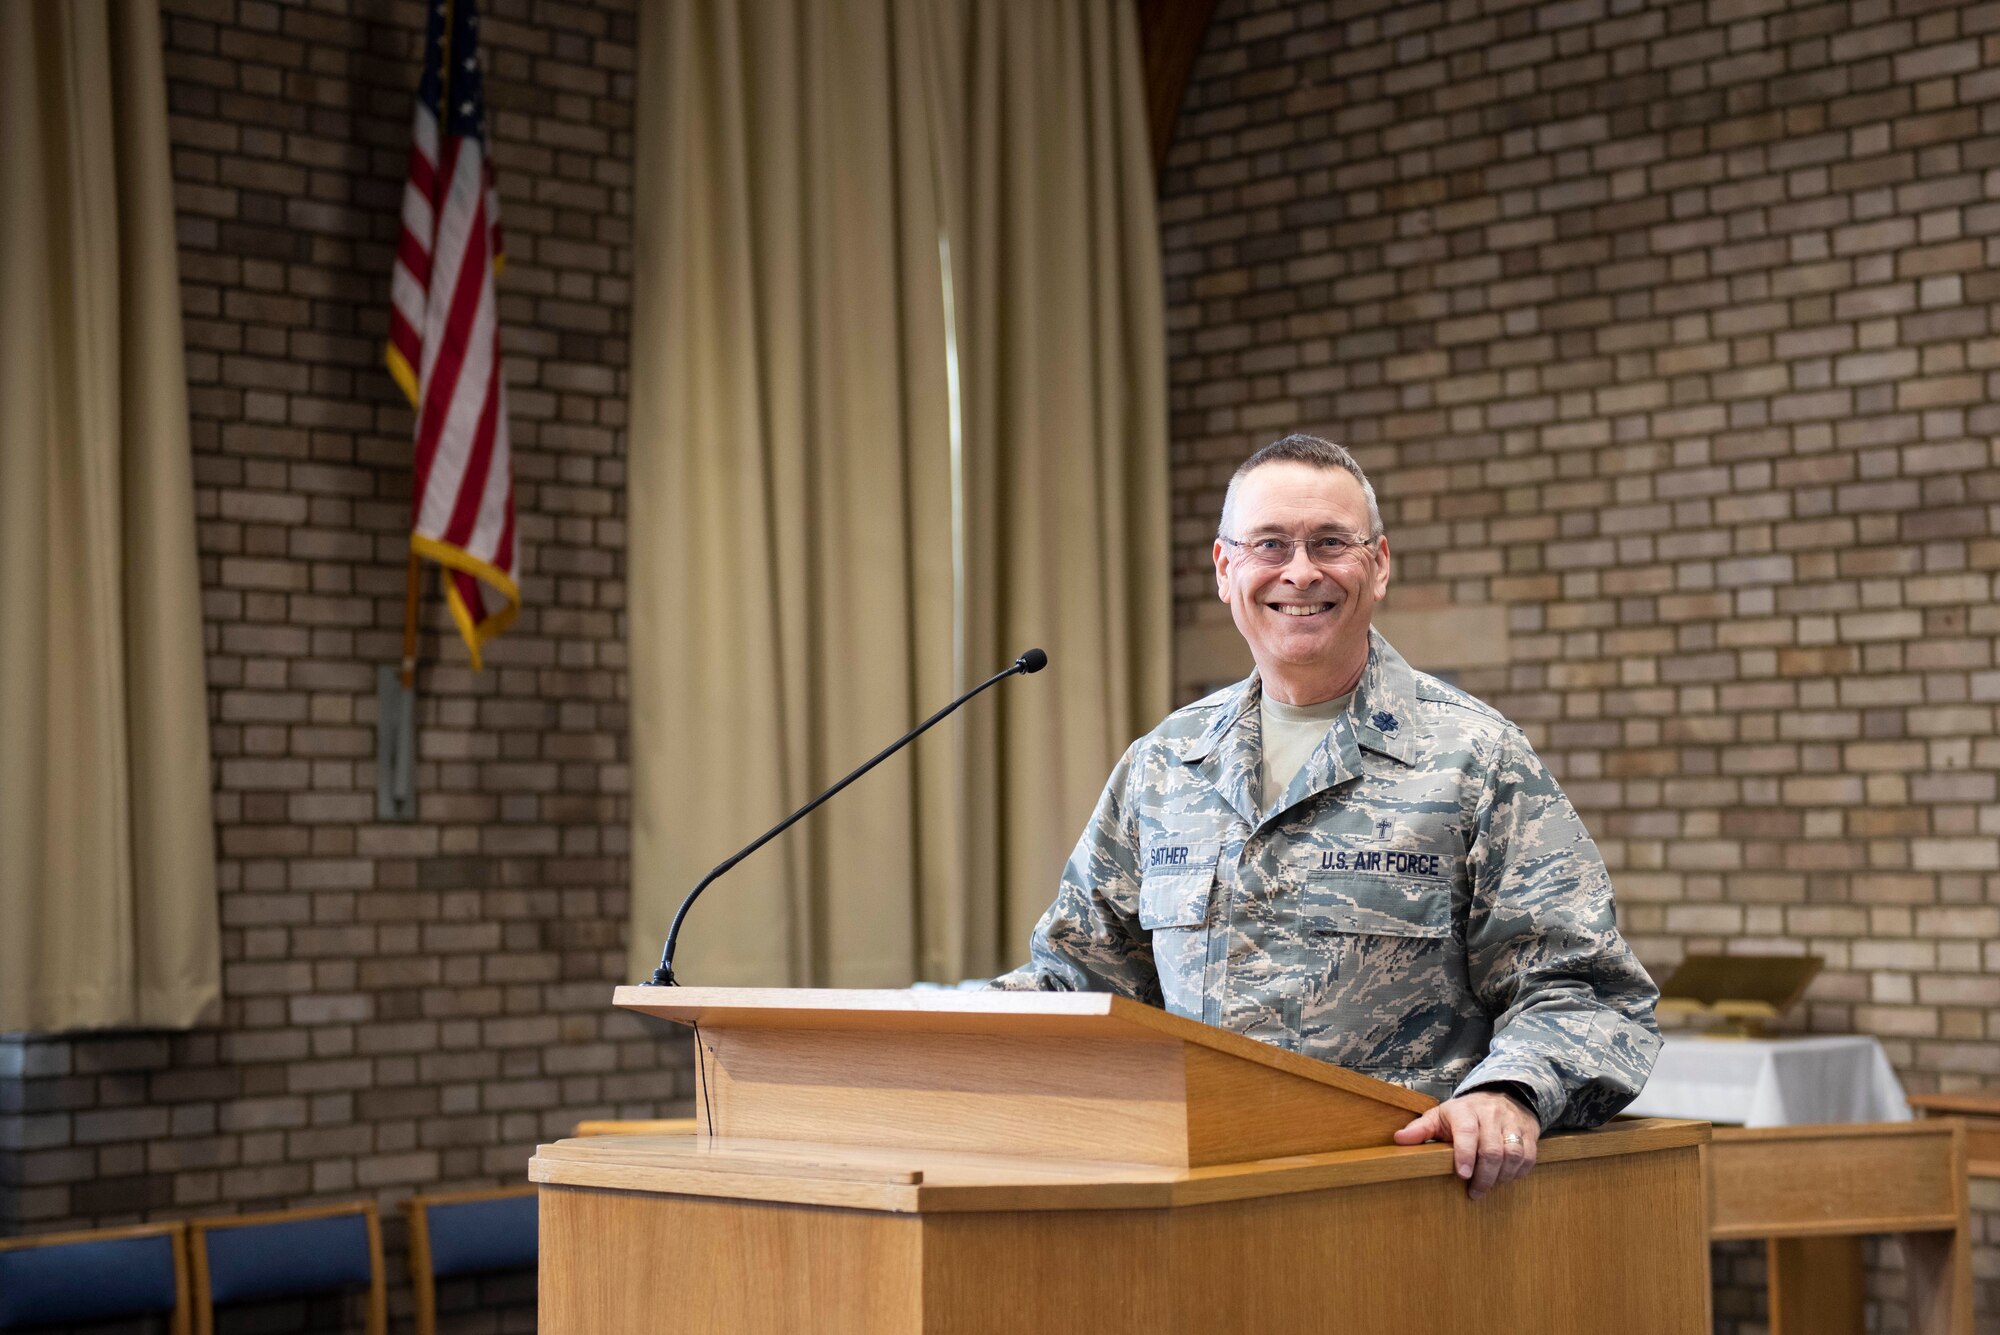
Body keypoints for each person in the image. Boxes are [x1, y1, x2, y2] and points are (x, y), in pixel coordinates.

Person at [992, 434, 1660, 1201]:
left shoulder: (1476, 759)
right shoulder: (1165, 764)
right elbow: (1080, 976)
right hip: (1190, 1201)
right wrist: (947, 1034)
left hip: (1390, 1207)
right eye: (1270, 543)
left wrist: (1507, 1091)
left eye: (1330, 543)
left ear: (1378, 564)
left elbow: (1585, 989)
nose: (1300, 571)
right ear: (1225, 568)